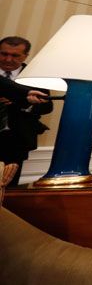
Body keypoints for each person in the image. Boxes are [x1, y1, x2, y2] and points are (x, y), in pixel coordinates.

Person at [0, 36, 53, 186]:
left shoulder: (34, 75)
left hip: (17, 140)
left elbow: (47, 106)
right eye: (4, 54)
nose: (8, 59)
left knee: (8, 188)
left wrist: (22, 103)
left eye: (15, 55)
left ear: (25, 56)